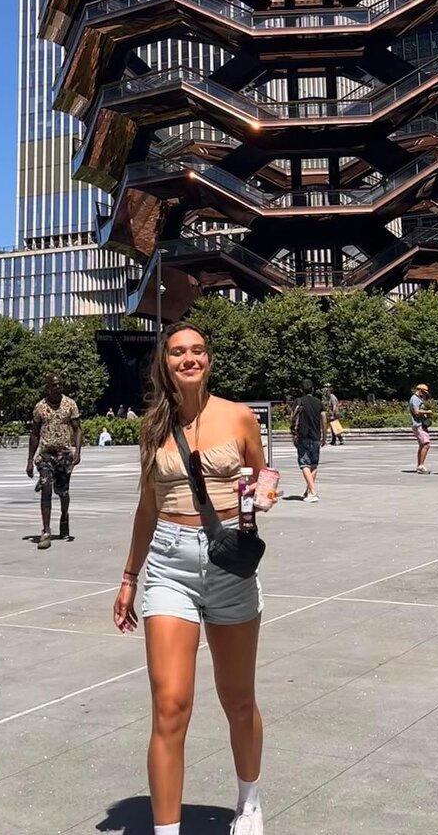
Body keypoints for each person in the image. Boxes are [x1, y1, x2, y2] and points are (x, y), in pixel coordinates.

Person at [112, 323, 268, 835]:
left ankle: (249, 802)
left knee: (238, 700)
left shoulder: (239, 416)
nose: (189, 358)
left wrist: (262, 496)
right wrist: (130, 577)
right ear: (166, 363)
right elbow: (146, 506)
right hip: (169, 565)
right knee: (169, 705)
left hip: (228, 564)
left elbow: (263, 476)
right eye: (178, 352)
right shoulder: (153, 427)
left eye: (198, 350)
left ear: (209, 360)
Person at [26, 372, 83, 549]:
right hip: (46, 455)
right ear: (48, 388)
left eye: (60, 384)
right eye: (54, 385)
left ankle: (64, 515)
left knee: (62, 492)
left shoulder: (70, 404)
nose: (58, 387)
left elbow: (77, 429)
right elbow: (34, 434)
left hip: (64, 455)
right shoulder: (40, 407)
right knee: (47, 488)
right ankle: (46, 530)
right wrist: (29, 460)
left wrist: (77, 452)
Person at [291, 379, 326, 502]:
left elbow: (293, 418)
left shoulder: (298, 401)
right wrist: (324, 436)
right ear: (313, 389)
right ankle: (309, 492)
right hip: (316, 436)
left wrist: (293, 435)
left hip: (303, 436)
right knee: (314, 464)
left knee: (304, 464)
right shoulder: (319, 403)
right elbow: (324, 419)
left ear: (301, 389)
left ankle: (313, 492)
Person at [409, 384, 433, 474]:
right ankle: (421, 466)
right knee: (426, 444)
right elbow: (416, 412)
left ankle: (420, 465)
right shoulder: (415, 399)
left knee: (423, 445)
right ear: (420, 391)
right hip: (418, 424)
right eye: (424, 393)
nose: (425, 395)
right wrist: (428, 412)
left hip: (420, 424)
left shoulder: (418, 399)